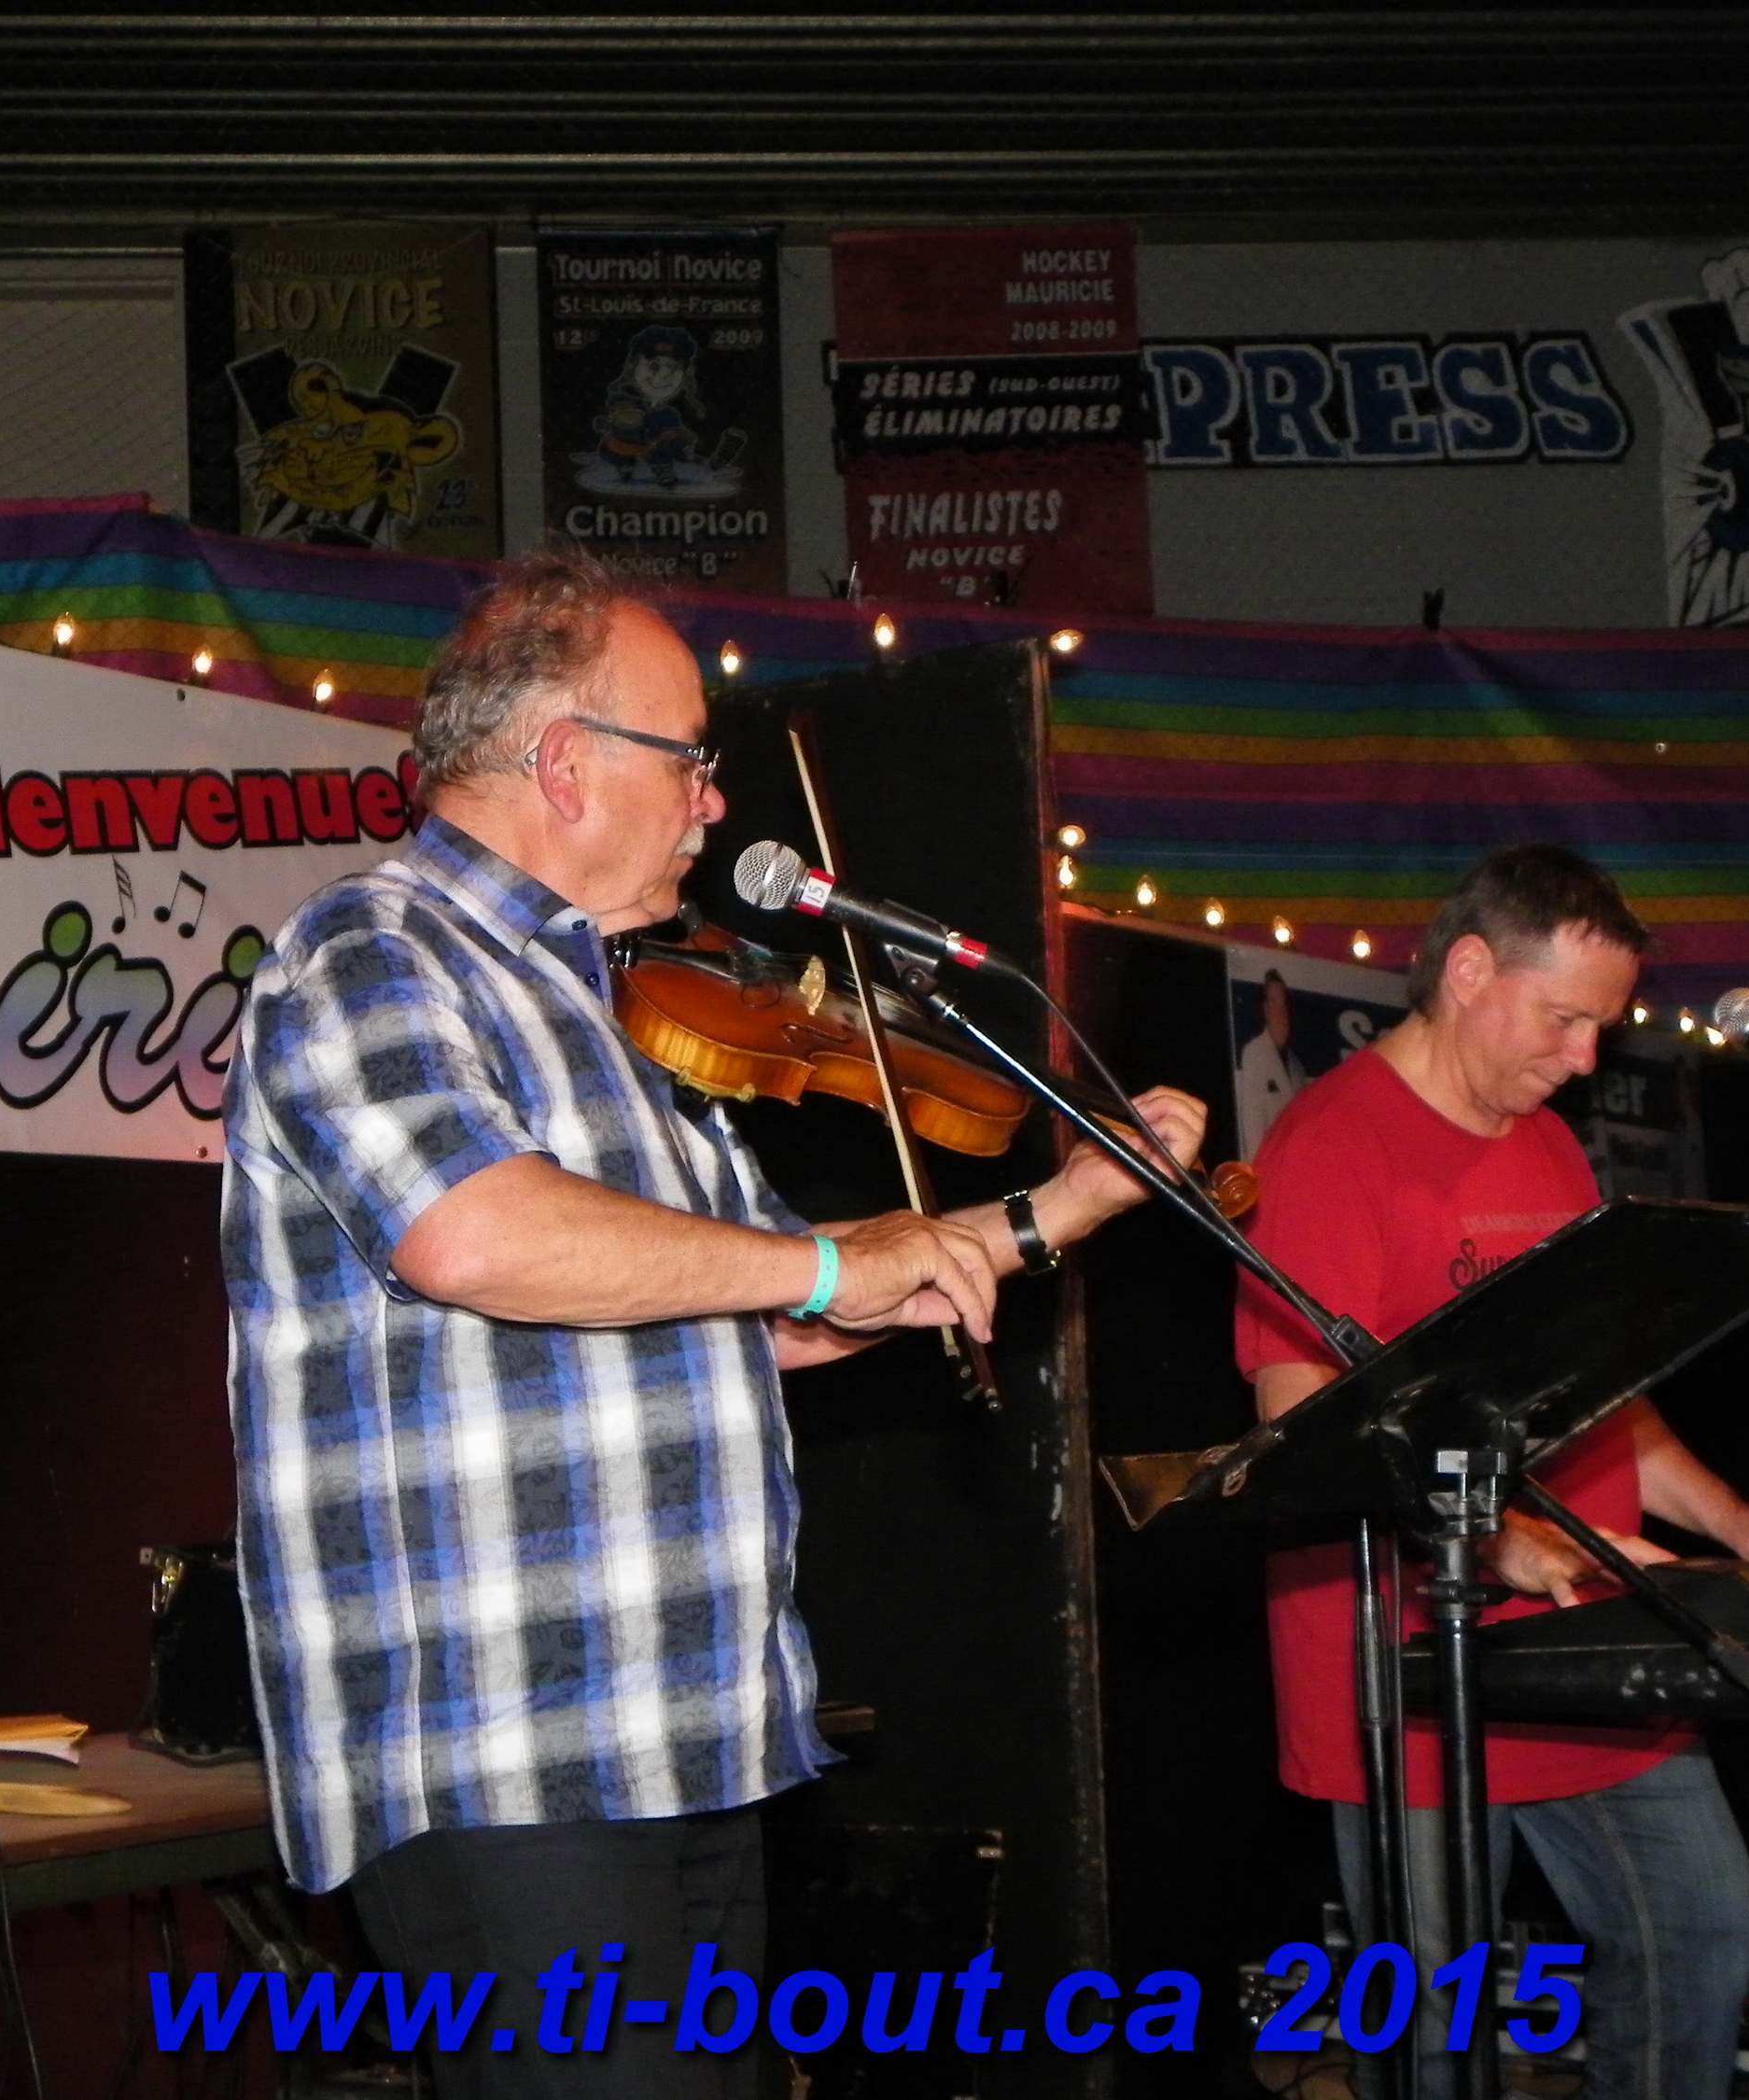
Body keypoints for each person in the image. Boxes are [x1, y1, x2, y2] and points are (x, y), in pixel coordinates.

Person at [222, 541, 1204, 2096]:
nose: (713, 799)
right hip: (507, 1747)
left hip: (686, 1729)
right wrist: (818, 1271)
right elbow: (470, 1230)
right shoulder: (373, 950)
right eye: (688, 756)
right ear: (564, 761)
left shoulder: (610, 1010)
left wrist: (1055, 1210)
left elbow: (779, 1297)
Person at [1234, 845, 1749, 2100]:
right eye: (1566, 1018)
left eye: (1602, 1026)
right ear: (1469, 971)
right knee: (1435, 2030)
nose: (1587, 1059)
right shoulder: (1329, 1145)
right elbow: (1303, 1421)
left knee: (1697, 1931)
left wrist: (1741, 1522)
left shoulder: (1545, 1147)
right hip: (1409, 1660)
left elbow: (1607, 1399)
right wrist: (1505, 1545)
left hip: (1582, 1635)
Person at [1237, 967, 1310, 1160]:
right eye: (1275, 1002)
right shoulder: (1254, 1054)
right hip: (1266, 1166)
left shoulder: (1296, 1065)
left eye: (1283, 1002)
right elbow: (1253, 1127)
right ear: (1266, 1008)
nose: (1281, 1010)